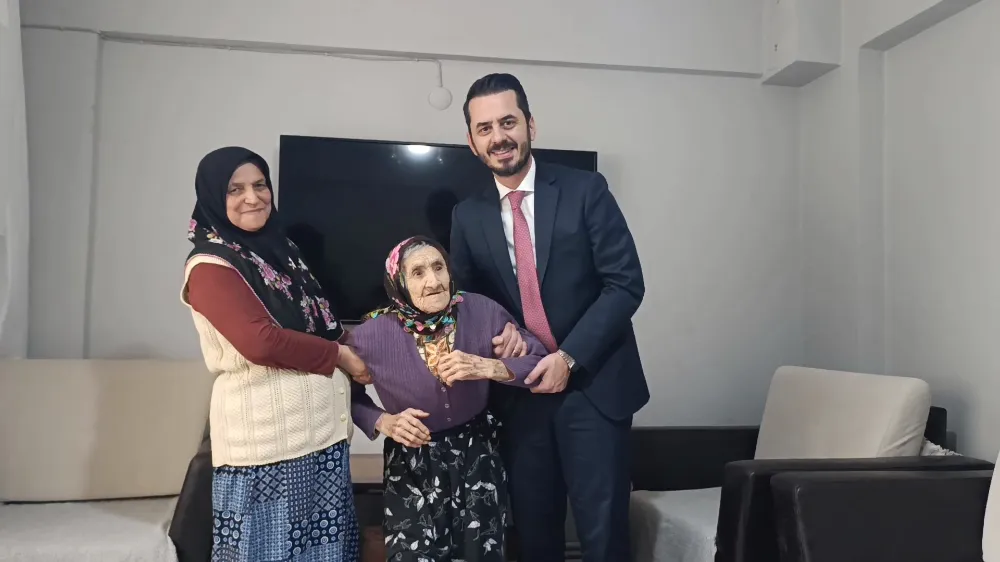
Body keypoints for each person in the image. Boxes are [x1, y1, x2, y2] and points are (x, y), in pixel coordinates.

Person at [449, 73, 649, 562]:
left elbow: (625, 284)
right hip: (520, 399)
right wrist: (498, 334)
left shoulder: (586, 190)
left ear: (531, 126)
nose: (499, 137)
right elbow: (468, 305)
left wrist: (569, 357)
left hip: (594, 389)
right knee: (535, 539)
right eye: (485, 128)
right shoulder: (467, 215)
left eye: (508, 122)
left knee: (604, 539)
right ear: (472, 142)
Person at [180, 146, 370, 562]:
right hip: (266, 453)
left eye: (260, 185)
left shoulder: (283, 253)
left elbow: (319, 324)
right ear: (213, 196)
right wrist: (339, 357)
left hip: (320, 442)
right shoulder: (210, 265)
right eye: (235, 189)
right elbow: (261, 342)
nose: (253, 197)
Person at [347, 235, 548, 562]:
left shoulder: (481, 311)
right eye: (418, 273)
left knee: (480, 553)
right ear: (399, 282)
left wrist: (489, 366)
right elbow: (341, 392)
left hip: (478, 454)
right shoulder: (371, 335)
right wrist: (382, 421)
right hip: (411, 461)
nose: (434, 281)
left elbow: (538, 359)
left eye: (439, 267)